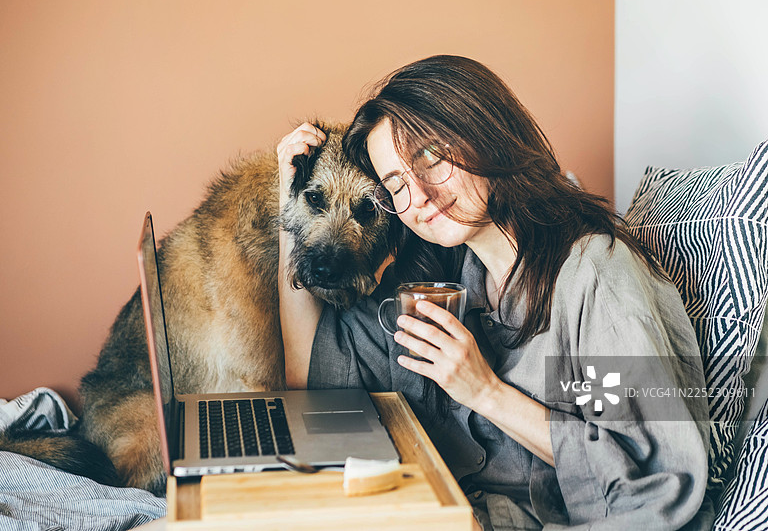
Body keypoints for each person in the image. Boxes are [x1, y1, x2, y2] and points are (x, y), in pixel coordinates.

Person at [276, 55, 713, 530]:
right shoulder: (442, 286)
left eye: (430, 158)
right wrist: (289, 200)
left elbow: (653, 474)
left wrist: (486, 392)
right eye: (395, 185)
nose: (418, 196)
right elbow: (310, 384)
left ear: (484, 132)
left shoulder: (592, 279)